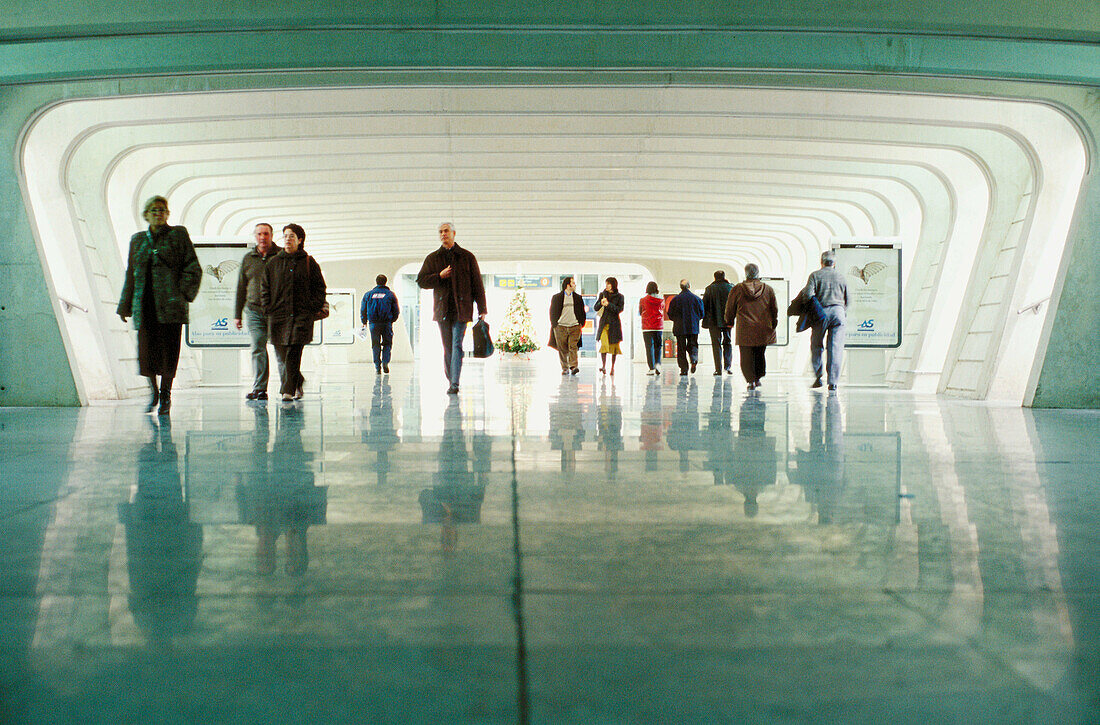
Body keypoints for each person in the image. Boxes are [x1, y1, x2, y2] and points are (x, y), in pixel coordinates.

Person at [117, 195, 202, 416]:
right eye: (154, 210)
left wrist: (182, 294)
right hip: (145, 306)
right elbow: (131, 274)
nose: (158, 214)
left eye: (162, 210)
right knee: (146, 353)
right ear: (146, 214)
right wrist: (125, 306)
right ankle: (153, 392)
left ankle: (166, 394)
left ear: (167, 214)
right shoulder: (137, 240)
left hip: (170, 306)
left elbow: (193, 267)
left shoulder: (178, 234)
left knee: (168, 352)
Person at [416, 222, 487, 395]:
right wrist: (439, 276)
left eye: (446, 231)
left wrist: (482, 308)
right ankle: (451, 380)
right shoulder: (433, 258)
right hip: (442, 310)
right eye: (440, 232)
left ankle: (455, 383)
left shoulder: (467, 257)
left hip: (461, 310)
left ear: (454, 233)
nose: (443, 234)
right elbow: (421, 281)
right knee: (447, 347)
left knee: (456, 345)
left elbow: (477, 283)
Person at [261, 223, 327, 402]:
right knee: (282, 354)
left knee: (293, 352)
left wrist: (312, 307)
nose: (288, 239)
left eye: (292, 236)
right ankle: (298, 381)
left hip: (301, 316)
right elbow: (264, 287)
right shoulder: (273, 263)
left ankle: (287, 390)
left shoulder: (309, 262)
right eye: (285, 236)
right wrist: (267, 308)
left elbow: (320, 288)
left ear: (300, 240)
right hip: (278, 317)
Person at [233, 223, 281, 401]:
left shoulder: (281, 256)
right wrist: (237, 314)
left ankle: (288, 386)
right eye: (259, 234)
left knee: (280, 349)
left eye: (266, 234)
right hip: (253, 311)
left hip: (276, 311)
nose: (263, 237)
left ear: (271, 235)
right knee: (257, 347)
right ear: (255, 236)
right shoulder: (248, 258)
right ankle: (260, 389)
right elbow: (241, 287)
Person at [725, 263, 779, 390]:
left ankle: (750, 380)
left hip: (745, 327)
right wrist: (774, 321)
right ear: (758, 273)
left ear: (746, 273)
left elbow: (730, 307)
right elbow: (774, 308)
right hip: (763, 327)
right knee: (760, 353)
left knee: (746, 355)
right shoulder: (768, 289)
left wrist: (729, 321)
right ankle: (758, 377)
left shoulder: (737, 289)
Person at [803, 250, 851, 390]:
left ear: (821, 262)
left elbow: (808, 294)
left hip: (821, 313)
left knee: (816, 344)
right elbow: (848, 299)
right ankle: (833, 382)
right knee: (835, 347)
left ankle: (818, 377)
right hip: (838, 312)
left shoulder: (815, 275)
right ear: (834, 263)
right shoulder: (841, 277)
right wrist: (842, 311)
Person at [361, 274, 400, 374]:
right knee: (387, 343)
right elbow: (396, 310)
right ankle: (385, 362)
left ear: (376, 282)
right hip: (386, 323)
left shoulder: (368, 294)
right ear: (385, 282)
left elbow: (363, 309)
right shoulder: (391, 294)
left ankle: (377, 366)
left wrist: (364, 321)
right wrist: (392, 320)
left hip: (373, 324)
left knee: (375, 344)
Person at [547, 276, 587, 375]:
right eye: (573, 283)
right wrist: (555, 324)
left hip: (575, 326)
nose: (575, 285)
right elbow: (552, 311)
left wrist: (581, 323)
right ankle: (564, 368)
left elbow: (582, 312)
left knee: (573, 347)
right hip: (560, 326)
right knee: (562, 348)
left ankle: (573, 366)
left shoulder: (578, 298)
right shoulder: (557, 297)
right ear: (568, 285)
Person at [666, 279, 704, 375]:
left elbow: (670, 314)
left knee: (681, 348)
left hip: (680, 327)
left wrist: (677, 320)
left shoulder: (675, 299)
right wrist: (695, 320)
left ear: (680, 287)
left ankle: (683, 369)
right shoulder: (697, 299)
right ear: (689, 286)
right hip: (693, 327)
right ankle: (694, 359)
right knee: (693, 345)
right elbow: (702, 314)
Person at [702, 270, 734, 376]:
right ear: (724, 276)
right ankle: (727, 367)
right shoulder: (730, 288)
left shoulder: (709, 289)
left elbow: (704, 305)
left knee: (716, 344)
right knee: (727, 342)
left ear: (714, 277)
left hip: (713, 321)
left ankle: (718, 369)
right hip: (727, 320)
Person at [595, 277, 625, 375]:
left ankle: (612, 367)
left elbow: (619, 309)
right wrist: (601, 303)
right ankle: (603, 366)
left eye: (609, 284)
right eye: (606, 283)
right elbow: (595, 307)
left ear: (613, 285)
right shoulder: (603, 294)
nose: (607, 286)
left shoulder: (620, 297)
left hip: (614, 325)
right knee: (604, 345)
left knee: (614, 347)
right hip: (604, 324)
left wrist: (608, 304)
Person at [639, 281, 665, 375]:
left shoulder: (643, 300)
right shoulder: (661, 300)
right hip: (658, 326)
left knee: (649, 347)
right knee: (658, 347)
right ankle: (658, 367)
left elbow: (640, 311)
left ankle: (651, 368)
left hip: (647, 327)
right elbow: (662, 310)